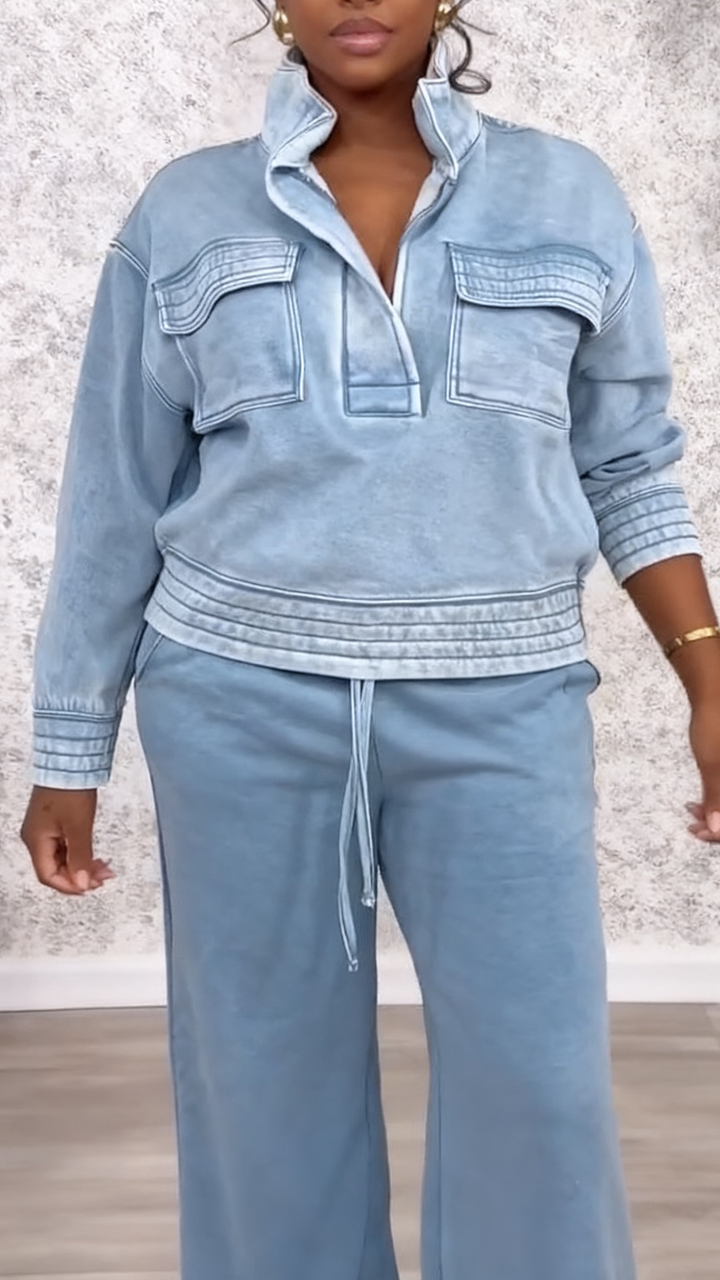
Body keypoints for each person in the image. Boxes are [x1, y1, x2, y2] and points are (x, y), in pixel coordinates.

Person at [19, 1, 720, 1277]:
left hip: (503, 699)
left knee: (539, 1090)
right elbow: (115, 494)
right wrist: (71, 747)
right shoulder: (185, 210)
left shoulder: (569, 196)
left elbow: (629, 466)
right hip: (237, 702)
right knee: (263, 1093)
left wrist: (709, 678)